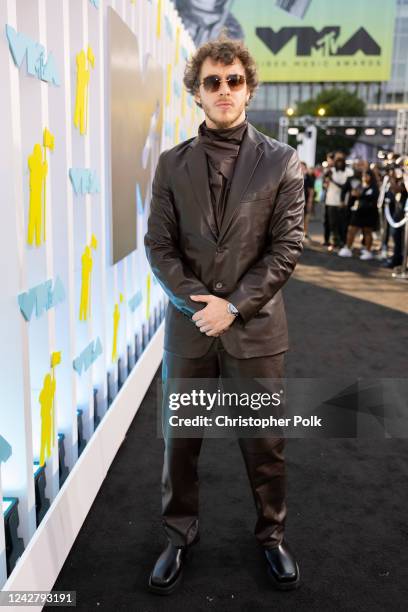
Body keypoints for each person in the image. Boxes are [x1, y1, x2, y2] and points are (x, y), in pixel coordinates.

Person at [144, 35, 304, 595]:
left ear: (249, 87)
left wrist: (233, 307)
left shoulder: (283, 162)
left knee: (265, 444)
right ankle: (177, 535)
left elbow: (286, 247)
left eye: (234, 80)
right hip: (190, 332)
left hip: (256, 331)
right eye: (212, 81)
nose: (225, 90)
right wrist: (198, 305)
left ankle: (272, 537)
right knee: (179, 443)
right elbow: (157, 247)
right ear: (196, 92)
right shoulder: (170, 164)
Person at [338, 169, 380, 259]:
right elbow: (353, 195)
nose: (364, 177)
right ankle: (348, 248)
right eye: (363, 176)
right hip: (358, 212)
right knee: (351, 230)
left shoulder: (374, 187)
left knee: (367, 232)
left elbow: (373, 199)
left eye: (366, 175)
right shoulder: (360, 185)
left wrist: (361, 195)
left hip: (369, 213)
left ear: (370, 177)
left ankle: (368, 251)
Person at [324, 153, 350, 249]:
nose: (339, 164)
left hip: (342, 202)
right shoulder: (331, 171)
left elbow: (345, 187)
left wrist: (332, 180)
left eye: (341, 162)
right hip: (331, 201)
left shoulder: (348, 172)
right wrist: (327, 181)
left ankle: (342, 242)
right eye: (337, 162)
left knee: (342, 223)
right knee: (332, 223)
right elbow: (325, 184)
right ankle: (333, 241)